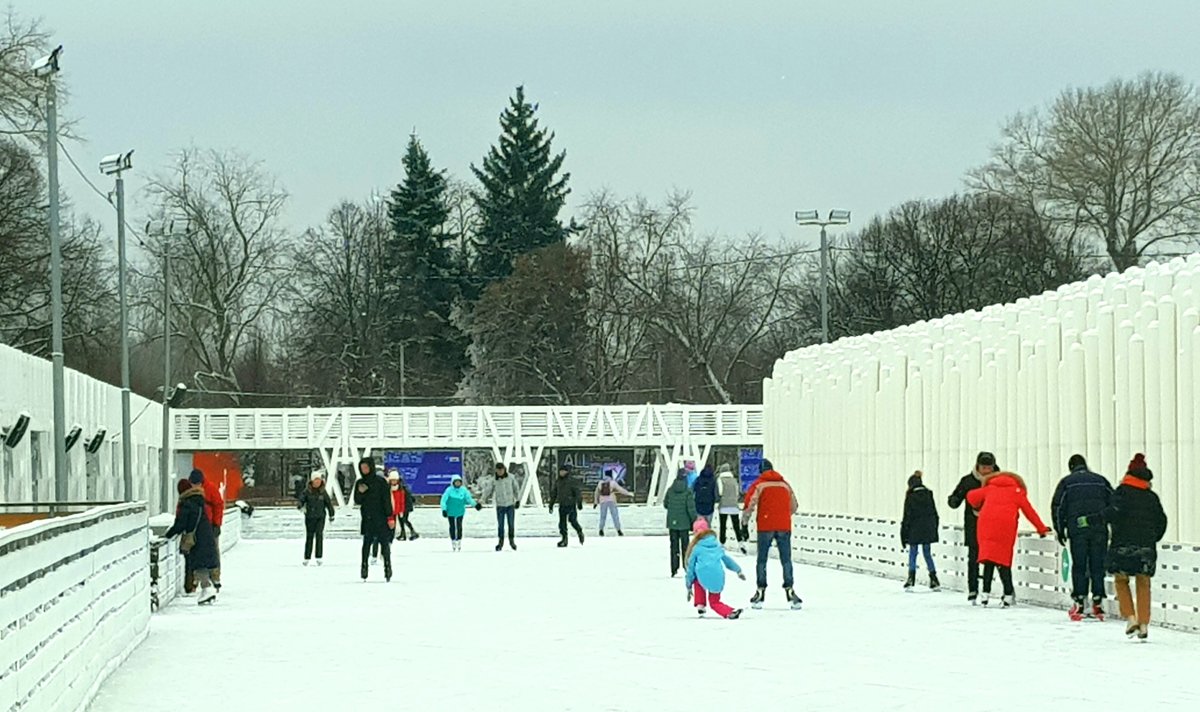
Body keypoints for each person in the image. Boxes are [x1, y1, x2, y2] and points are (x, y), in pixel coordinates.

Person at [1083, 453, 1167, 640]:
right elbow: (1162, 520)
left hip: (1122, 545)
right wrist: (1153, 538)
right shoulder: (1151, 497)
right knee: (1143, 582)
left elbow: (1111, 513)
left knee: (1121, 580)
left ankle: (1131, 618)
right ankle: (1144, 624)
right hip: (1145, 546)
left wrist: (1091, 520)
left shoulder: (1121, 492)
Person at [966, 470, 1050, 607]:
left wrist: (977, 506)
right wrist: (1041, 528)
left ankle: (985, 594)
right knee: (1003, 562)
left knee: (988, 560)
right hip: (1005, 528)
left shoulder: (989, 488)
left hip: (986, 526)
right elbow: (1030, 512)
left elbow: (971, 496)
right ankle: (1008, 594)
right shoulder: (1017, 492)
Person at [1051, 454, 1114, 620]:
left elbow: (1057, 507)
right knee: (1097, 564)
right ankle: (1098, 600)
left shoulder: (1066, 483)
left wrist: (1060, 529)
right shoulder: (1101, 481)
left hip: (1077, 531)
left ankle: (1080, 601)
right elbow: (1114, 504)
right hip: (1099, 529)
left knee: (1080, 565)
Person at [742, 459, 801, 609]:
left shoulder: (759, 484)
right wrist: (782, 515)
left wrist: (744, 522)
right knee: (786, 559)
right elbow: (794, 506)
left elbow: (750, 503)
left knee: (762, 560)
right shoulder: (784, 484)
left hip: (765, 525)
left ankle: (760, 592)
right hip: (783, 525)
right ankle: (790, 590)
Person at [948, 451, 996, 603]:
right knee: (973, 558)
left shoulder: (999, 481)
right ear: (978, 466)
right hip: (973, 525)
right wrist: (954, 500)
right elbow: (956, 496)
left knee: (989, 559)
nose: (987, 471)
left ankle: (986, 590)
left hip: (991, 525)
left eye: (989, 468)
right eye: (984, 467)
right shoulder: (968, 481)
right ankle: (973, 589)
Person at [165, 476, 220, 605]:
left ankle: (207, 588)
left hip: (197, 540)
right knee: (203, 564)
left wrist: (168, 534)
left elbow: (181, 523)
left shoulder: (187, 504)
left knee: (199, 565)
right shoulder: (199, 501)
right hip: (206, 536)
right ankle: (207, 588)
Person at [684, 518, 745, 620]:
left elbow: (690, 567)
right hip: (718, 576)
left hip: (702, 576)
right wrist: (738, 570)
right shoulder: (717, 546)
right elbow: (727, 560)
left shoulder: (696, 548)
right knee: (715, 601)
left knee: (698, 578)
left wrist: (688, 585)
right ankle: (729, 612)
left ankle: (700, 604)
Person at [354, 456, 393, 582]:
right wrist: (361, 492)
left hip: (381, 517)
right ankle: (364, 568)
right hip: (367, 517)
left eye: (366, 467)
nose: (364, 470)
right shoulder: (360, 483)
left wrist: (390, 517)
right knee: (366, 544)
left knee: (384, 545)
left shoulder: (381, 482)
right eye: (362, 468)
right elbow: (357, 500)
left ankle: (388, 568)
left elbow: (386, 500)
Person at [900, 471, 941, 591]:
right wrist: (934, 528)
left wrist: (903, 534)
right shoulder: (929, 494)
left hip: (914, 529)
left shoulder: (910, 497)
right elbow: (934, 513)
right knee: (927, 553)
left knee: (913, 553)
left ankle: (911, 578)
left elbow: (906, 517)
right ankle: (934, 578)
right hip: (927, 529)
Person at [189, 469, 225, 590]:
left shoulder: (210, 488)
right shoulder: (189, 491)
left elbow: (218, 505)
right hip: (195, 526)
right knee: (196, 551)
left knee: (213, 550)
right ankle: (197, 577)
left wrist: (217, 524)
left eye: (197, 484)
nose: (195, 486)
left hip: (210, 525)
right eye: (193, 484)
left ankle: (215, 576)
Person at [663, 469, 697, 577]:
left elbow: (665, 504)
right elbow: (690, 508)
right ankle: (686, 566)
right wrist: (694, 520)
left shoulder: (670, 490)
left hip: (672, 523)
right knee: (686, 546)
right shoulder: (688, 492)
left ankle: (674, 568)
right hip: (684, 523)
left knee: (673, 546)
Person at [297, 471, 335, 565]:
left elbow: (328, 504)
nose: (317, 482)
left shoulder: (323, 492)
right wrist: (300, 506)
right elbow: (301, 500)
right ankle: (307, 557)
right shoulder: (307, 491)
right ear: (312, 481)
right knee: (309, 536)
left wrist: (331, 514)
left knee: (319, 535)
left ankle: (319, 556)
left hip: (320, 517)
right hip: (309, 517)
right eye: (316, 480)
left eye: (319, 480)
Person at [441, 474, 481, 551]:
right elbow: (443, 500)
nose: (458, 484)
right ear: (453, 483)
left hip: (460, 512)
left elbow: (469, 499)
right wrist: (444, 509)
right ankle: (453, 541)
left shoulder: (464, 490)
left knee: (459, 526)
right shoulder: (449, 490)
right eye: (456, 482)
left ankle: (459, 541)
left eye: (459, 482)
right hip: (450, 512)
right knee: (452, 527)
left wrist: (475, 505)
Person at [549, 463, 585, 547]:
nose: (561, 473)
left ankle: (579, 531)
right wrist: (551, 504)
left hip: (571, 504)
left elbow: (577, 493)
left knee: (572, 520)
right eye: (560, 471)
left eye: (563, 471)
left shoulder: (571, 481)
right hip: (562, 505)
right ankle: (564, 539)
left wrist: (579, 503)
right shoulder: (558, 482)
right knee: (562, 523)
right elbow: (554, 493)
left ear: (566, 472)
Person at [716, 464, 747, 554]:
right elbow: (737, 493)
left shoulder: (720, 480)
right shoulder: (734, 480)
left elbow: (720, 492)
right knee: (736, 526)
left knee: (723, 525)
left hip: (724, 505)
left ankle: (722, 543)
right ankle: (740, 543)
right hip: (734, 505)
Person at [491, 463, 522, 551]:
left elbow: (516, 489)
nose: (500, 472)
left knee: (511, 524)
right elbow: (488, 490)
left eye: (501, 470)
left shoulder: (511, 477)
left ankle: (512, 541)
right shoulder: (494, 479)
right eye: (498, 470)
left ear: (504, 469)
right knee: (501, 525)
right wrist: (481, 501)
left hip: (510, 505)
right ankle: (500, 542)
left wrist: (518, 500)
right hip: (500, 505)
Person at [594, 469, 632, 537]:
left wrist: (596, 502)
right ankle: (618, 530)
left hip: (602, 501)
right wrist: (628, 493)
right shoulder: (612, 482)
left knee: (603, 516)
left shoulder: (600, 483)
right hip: (611, 500)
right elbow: (620, 489)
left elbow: (596, 493)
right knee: (615, 516)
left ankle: (601, 530)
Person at [397, 477, 419, 541]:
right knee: (403, 520)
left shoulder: (401, 488)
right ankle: (404, 533)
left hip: (404, 506)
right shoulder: (405, 487)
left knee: (403, 520)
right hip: (406, 506)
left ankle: (411, 532)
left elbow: (403, 499)